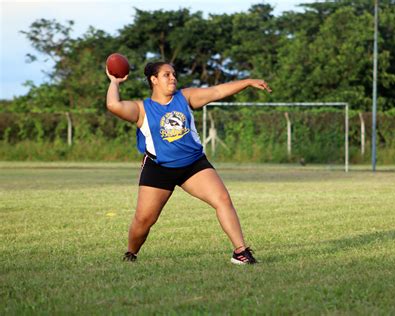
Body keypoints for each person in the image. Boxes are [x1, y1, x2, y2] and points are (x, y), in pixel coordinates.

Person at [106, 61, 272, 265]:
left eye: (174, 74)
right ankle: (131, 253)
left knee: (222, 199)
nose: (173, 77)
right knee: (144, 221)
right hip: (159, 168)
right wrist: (114, 82)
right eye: (167, 74)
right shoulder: (142, 108)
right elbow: (113, 105)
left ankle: (240, 252)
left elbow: (218, 91)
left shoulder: (185, 97)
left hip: (193, 165)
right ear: (154, 80)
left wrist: (247, 82)